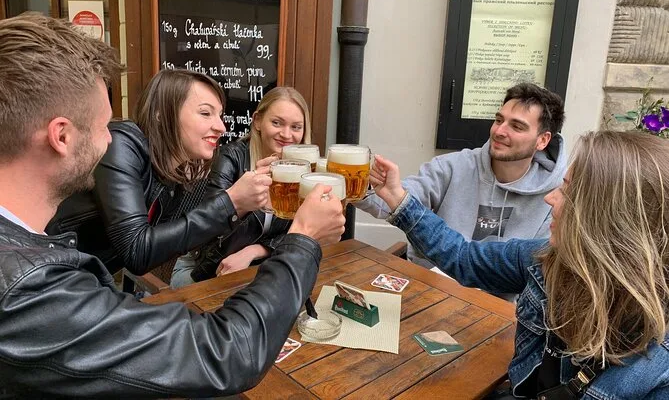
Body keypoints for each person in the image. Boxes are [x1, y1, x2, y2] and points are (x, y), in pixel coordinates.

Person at [0, 13, 345, 397]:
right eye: (102, 126)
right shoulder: (28, 288)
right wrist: (300, 235)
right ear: (62, 136)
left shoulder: (175, 170)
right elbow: (227, 354)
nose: (108, 139)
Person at [370, 131, 669, 398]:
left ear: (607, 217)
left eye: (567, 191)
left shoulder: (660, 367)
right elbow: (463, 258)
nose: (550, 198)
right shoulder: (546, 260)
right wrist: (398, 199)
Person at [47, 68, 273, 279]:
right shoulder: (121, 145)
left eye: (220, 115)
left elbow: (173, 243)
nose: (221, 127)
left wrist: (244, 207)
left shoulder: (178, 171)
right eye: (205, 113)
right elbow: (137, 252)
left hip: (92, 280)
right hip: (54, 276)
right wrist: (232, 202)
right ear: (161, 114)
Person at [356, 83, 567, 270]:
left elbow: (537, 268)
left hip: (498, 299)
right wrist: (360, 186)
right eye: (498, 120)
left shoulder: (556, 195)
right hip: (431, 285)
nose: (499, 131)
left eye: (516, 126)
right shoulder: (452, 166)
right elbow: (395, 200)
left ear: (542, 140)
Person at [172, 86, 313, 287]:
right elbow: (210, 228)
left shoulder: (302, 171)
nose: (286, 134)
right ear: (257, 121)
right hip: (204, 269)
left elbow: (301, 230)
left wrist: (254, 251)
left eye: (296, 127)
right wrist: (246, 200)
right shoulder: (231, 157)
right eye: (276, 123)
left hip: (256, 270)